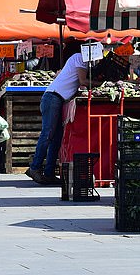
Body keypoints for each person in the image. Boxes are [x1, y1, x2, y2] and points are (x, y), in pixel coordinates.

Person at [27, 39, 88, 185]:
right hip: (52, 98)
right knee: (48, 134)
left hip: (57, 100)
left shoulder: (79, 60)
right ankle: (34, 167)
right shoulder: (79, 58)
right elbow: (83, 81)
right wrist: (102, 83)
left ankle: (49, 173)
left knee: (56, 139)